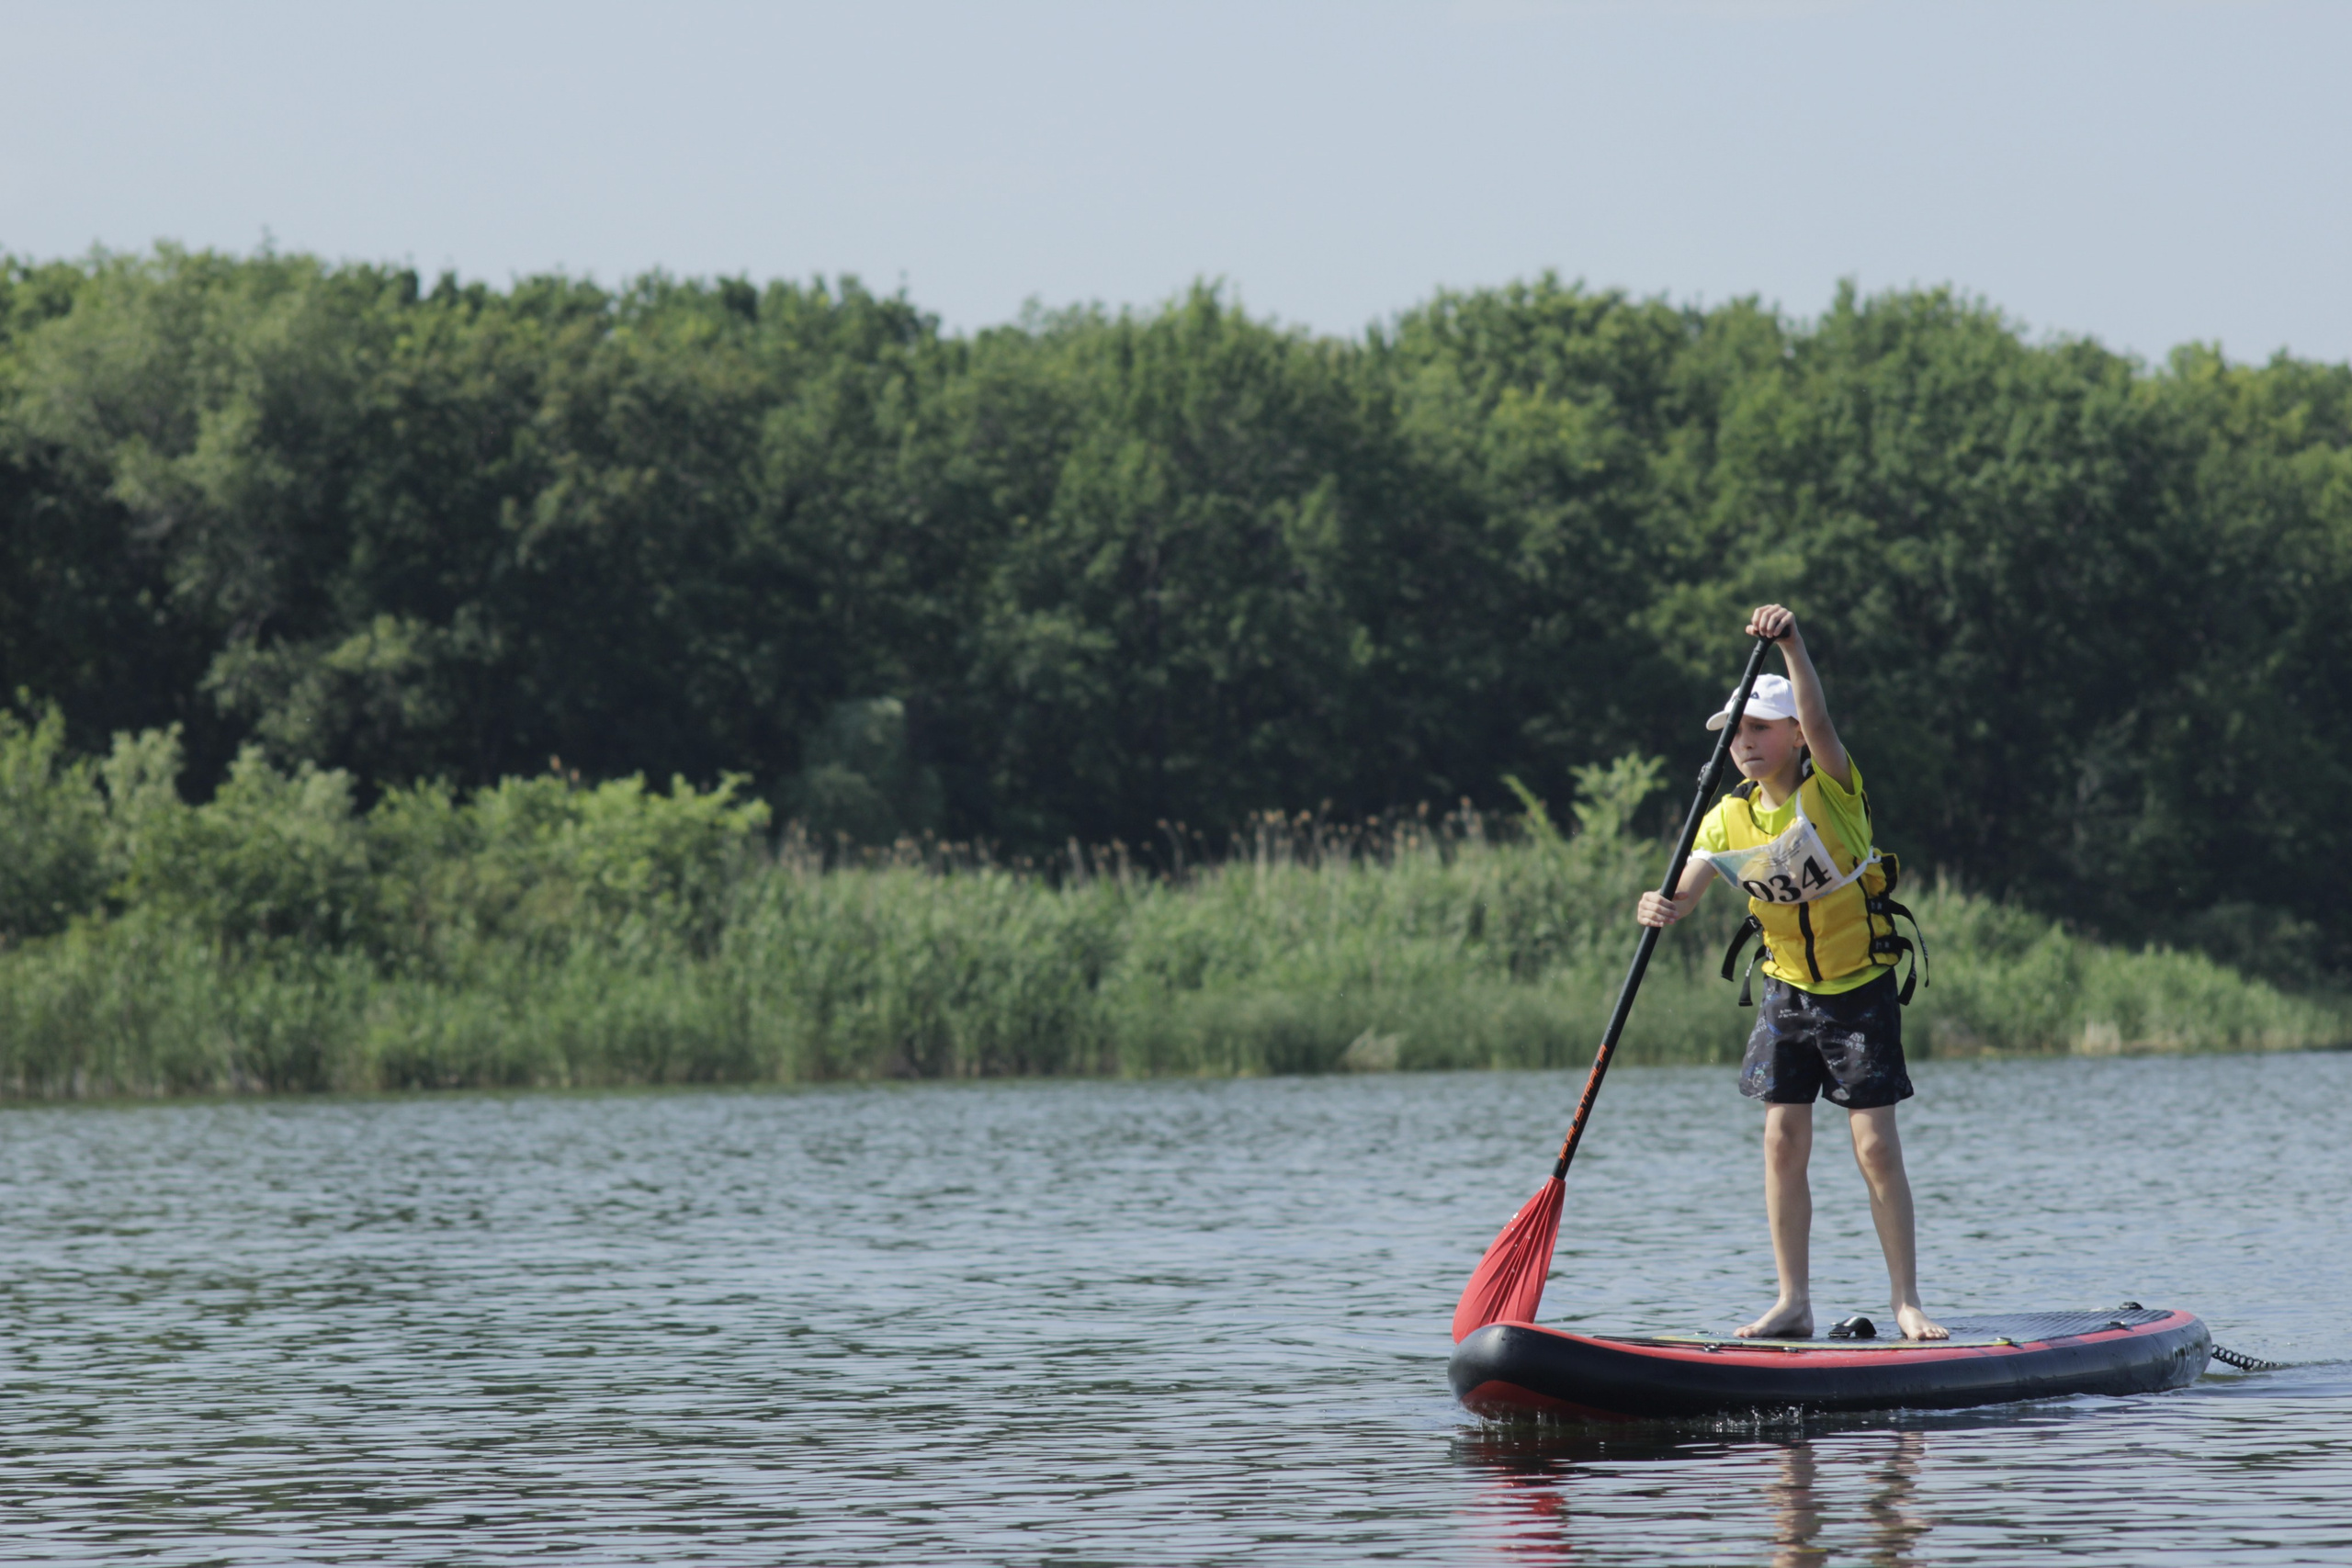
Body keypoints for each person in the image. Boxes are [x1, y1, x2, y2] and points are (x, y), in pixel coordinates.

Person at [1636, 604, 1945, 1341]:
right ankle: (1793, 1300)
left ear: (1796, 736)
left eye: (1760, 728)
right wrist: (1662, 904)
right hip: (1786, 990)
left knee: (1874, 1145)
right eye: (1735, 733)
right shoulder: (1724, 818)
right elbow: (1686, 889)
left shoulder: (1832, 788)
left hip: (1858, 987)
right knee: (1781, 1138)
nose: (1745, 743)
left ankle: (1906, 1300)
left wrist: (1792, 645)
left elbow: (1821, 716)